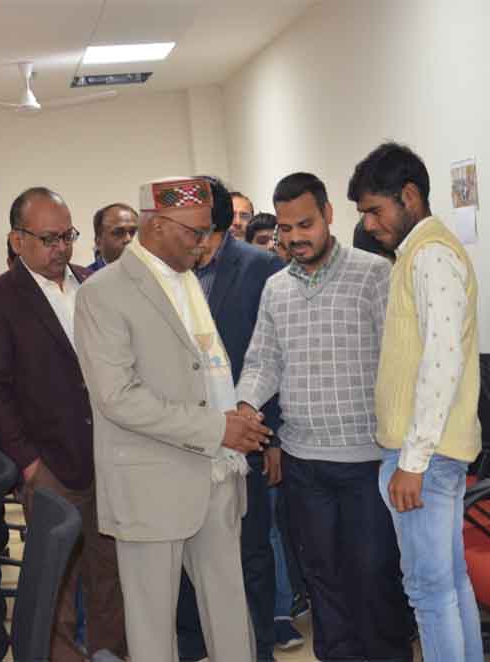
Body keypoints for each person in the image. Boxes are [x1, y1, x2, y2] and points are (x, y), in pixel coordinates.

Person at [75, 177, 271, 662]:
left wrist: (235, 417)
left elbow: (204, 370)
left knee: (231, 615)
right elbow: (117, 397)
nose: (204, 243)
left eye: (208, 232)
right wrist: (217, 428)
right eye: (194, 232)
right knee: (152, 630)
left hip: (217, 473)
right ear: (157, 224)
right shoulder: (103, 293)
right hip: (151, 484)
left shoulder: (188, 279)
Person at [236, 172, 413, 662]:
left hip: (367, 461)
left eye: (306, 224)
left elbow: (400, 362)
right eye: (286, 228)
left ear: (329, 215)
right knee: (323, 579)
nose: (295, 237)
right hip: (304, 463)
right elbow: (263, 361)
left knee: (374, 577)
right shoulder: (275, 289)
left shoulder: (374, 275)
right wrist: (246, 406)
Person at [0, 187, 127, 662]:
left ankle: (111, 654)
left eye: (67, 236)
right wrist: (30, 464)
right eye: (49, 239)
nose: (61, 248)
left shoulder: (94, 284)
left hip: (111, 459)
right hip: (51, 465)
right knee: (56, 587)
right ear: (18, 241)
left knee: (111, 578)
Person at [348, 142, 484, 662]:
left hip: (424, 457)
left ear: (409, 196)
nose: (369, 225)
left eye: (374, 211)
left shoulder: (430, 255)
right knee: (449, 585)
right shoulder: (419, 254)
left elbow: (441, 363)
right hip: (429, 454)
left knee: (429, 593)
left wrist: (413, 460)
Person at [171, 177, 291, 661]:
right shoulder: (170, 272)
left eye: (198, 231)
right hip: (185, 437)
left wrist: (273, 436)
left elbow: (276, 357)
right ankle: (196, 645)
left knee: (252, 550)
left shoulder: (262, 269)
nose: (190, 242)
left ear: (216, 227)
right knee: (187, 553)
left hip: (249, 433)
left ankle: (258, 647)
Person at [88, 203, 139, 271]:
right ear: (98, 242)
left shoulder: (149, 273)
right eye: (118, 232)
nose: (128, 239)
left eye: (133, 232)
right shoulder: (88, 276)